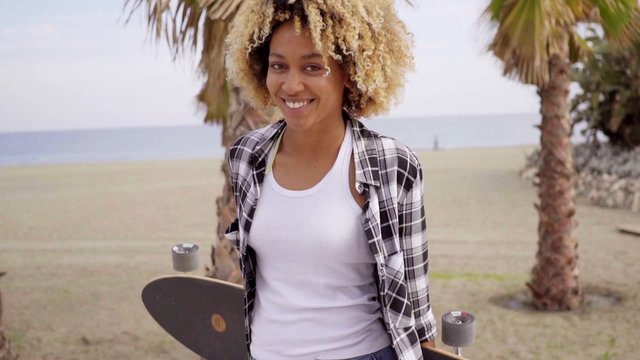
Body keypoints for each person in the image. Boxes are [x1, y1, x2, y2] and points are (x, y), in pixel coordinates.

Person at [224, 1, 436, 359]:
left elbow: (414, 300)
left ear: (349, 72)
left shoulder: (391, 164)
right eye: (279, 66)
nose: (291, 85)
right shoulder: (247, 156)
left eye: (313, 67)